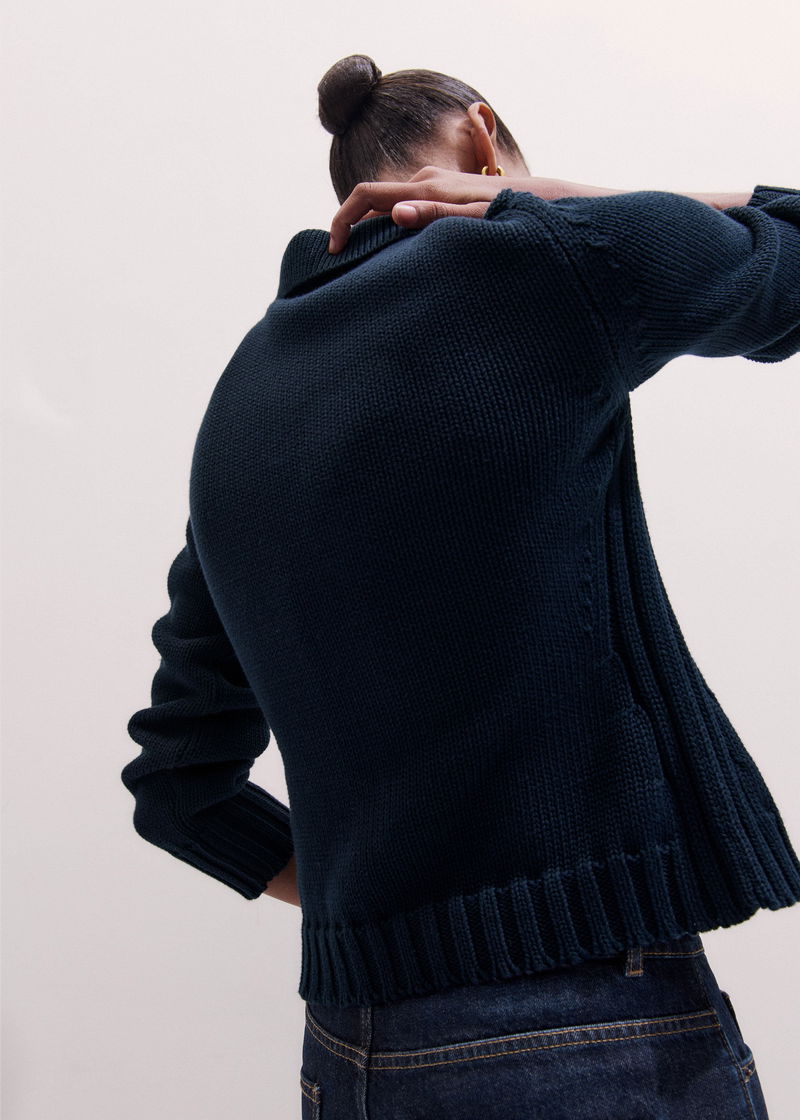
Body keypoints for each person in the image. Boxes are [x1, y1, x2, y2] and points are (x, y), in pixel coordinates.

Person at [121, 53, 800, 1119]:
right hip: (580, 1026)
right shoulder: (535, 259)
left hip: (350, 1052)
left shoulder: (245, 393)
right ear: (482, 137)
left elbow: (179, 787)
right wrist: (548, 196)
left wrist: (391, 920)